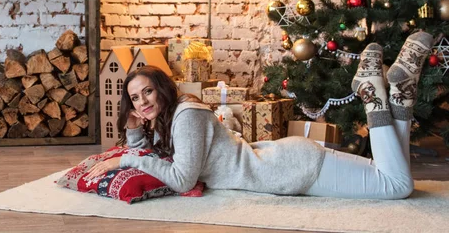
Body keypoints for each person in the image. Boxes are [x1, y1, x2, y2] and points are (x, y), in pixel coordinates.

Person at [86, 32, 433, 200]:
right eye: (135, 98)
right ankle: (400, 96)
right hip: (287, 159)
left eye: (148, 91)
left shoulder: (186, 116)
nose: (143, 101)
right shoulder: (171, 119)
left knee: (397, 185)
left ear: (162, 88)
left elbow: (182, 180)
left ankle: (372, 94)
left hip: (290, 170)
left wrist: (126, 160)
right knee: (389, 173)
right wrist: (134, 132)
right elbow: (156, 152)